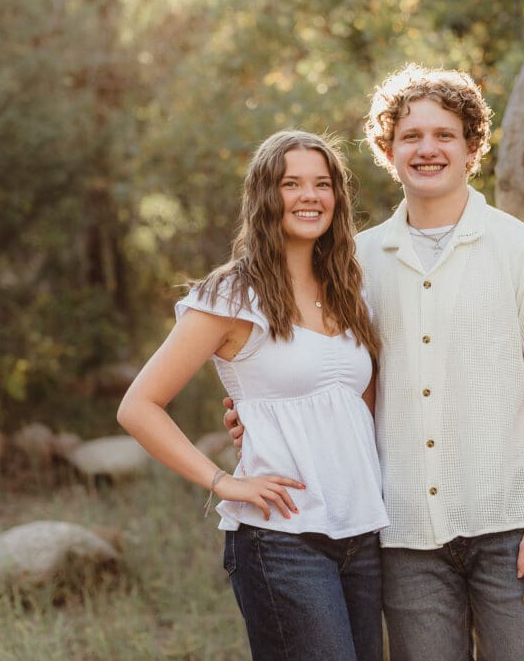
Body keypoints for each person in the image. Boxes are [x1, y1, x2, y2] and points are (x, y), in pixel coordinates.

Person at [226, 66, 524, 661]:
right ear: (387, 149)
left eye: (445, 135)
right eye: (411, 136)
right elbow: (328, 376)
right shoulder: (354, 262)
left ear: (473, 147)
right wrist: (260, 414)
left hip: (511, 529)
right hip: (402, 537)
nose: (427, 149)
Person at [117, 129, 387, 661]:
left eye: (323, 184)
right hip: (284, 541)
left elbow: (359, 404)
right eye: (292, 184)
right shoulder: (231, 295)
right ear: (266, 197)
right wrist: (223, 482)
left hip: (361, 532)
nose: (310, 196)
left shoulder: (350, 289)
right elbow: (138, 407)